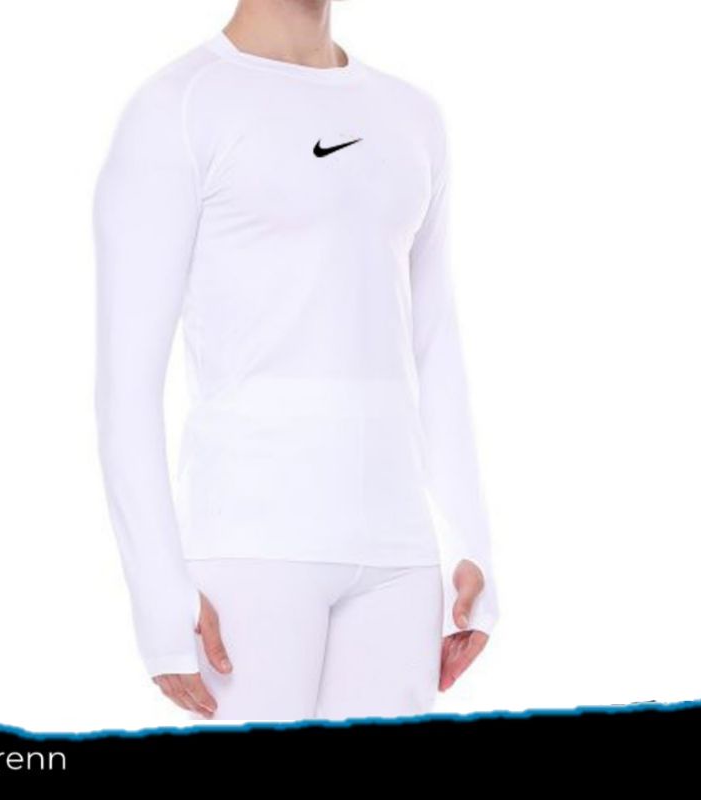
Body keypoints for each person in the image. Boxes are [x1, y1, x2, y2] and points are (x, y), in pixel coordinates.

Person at [92, 0, 500, 724]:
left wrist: (470, 542)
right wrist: (157, 587)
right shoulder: (180, 106)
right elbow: (126, 381)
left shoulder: (412, 116)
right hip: (252, 547)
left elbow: (434, 344)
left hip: (400, 555)